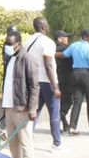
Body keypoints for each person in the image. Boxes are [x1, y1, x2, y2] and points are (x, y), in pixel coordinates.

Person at [2, 30, 37, 158]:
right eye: (6, 44)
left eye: (10, 44)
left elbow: (34, 86)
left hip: (21, 108)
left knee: (25, 142)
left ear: (18, 44)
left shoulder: (27, 59)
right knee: (13, 144)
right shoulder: (9, 58)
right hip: (9, 107)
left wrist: (33, 108)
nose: (7, 46)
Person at [24, 18, 62, 151]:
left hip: (33, 82)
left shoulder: (28, 41)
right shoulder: (47, 42)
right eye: (47, 23)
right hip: (47, 82)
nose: (49, 25)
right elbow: (48, 64)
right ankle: (56, 143)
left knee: (35, 112)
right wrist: (55, 87)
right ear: (43, 27)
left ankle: (26, 141)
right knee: (54, 113)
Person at [54, 31, 74, 131]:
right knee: (69, 101)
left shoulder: (51, 49)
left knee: (57, 102)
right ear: (59, 39)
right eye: (65, 37)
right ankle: (62, 115)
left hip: (54, 79)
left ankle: (62, 123)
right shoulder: (67, 50)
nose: (67, 39)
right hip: (66, 79)